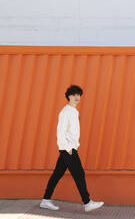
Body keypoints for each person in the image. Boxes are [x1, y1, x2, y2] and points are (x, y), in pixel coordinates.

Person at [40, 84, 104, 212]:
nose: (77, 97)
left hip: (69, 147)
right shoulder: (66, 112)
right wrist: (68, 148)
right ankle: (87, 202)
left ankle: (45, 200)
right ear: (68, 96)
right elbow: (60, 132)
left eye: (78, 95)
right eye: (74, 95)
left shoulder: (73, 111)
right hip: (68, 148)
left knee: (57, 174)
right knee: (79, 173)